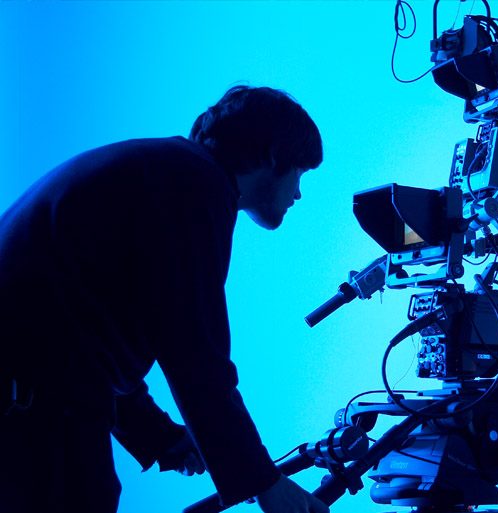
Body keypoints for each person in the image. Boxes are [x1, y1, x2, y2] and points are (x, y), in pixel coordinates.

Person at [0, 85, 330, 513]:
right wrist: (266, 484)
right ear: (271, 155)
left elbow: (86, 330)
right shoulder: (195, 186)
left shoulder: (163, 173)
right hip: (34, 400)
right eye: (300, 173)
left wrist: (163, 438)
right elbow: (194, 352)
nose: (299, 194)